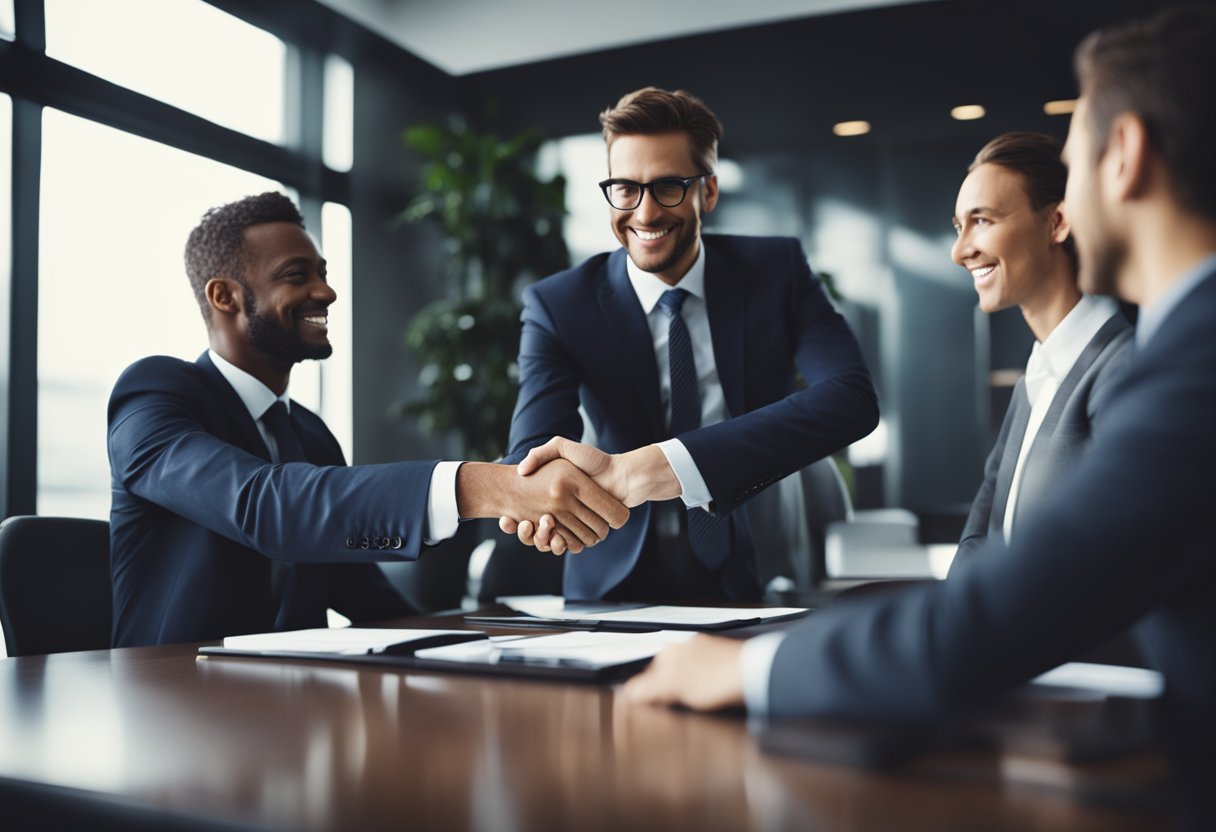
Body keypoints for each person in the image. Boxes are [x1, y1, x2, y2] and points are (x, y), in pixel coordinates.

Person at [622, 7, 1216, 821]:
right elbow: (986, 563)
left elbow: (1016, 608)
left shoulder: (1184, 366)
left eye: (1074, 163)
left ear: (1128, 155)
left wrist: (748, 669)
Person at [108, 192, 628, 647]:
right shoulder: (154, 395)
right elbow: (265, 506)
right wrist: (484, 488)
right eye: (297, 276)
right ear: (224, 296)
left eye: (323, 274)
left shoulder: (308, 434)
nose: (326, 292)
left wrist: (499, 642)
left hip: (291, 708)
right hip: (172, 696)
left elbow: (363, 593)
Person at [500, 87, 878, 601]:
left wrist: (660, 467)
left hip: (759, 561)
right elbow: (533, 456)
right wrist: (544, 496)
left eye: (669, 187)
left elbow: (850, 400)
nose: (646, 213)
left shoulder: (777, 272)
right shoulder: (559, 303)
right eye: (626, 189)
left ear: (710, 191)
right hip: (612, 572)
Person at [951, 132, 1132, 561]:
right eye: (959, 227)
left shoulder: (1125, 366)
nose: (961, 251)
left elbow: (1110, 551)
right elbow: (980, 533)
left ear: (1057, 223)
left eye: (983, 221)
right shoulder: (1034, 376)